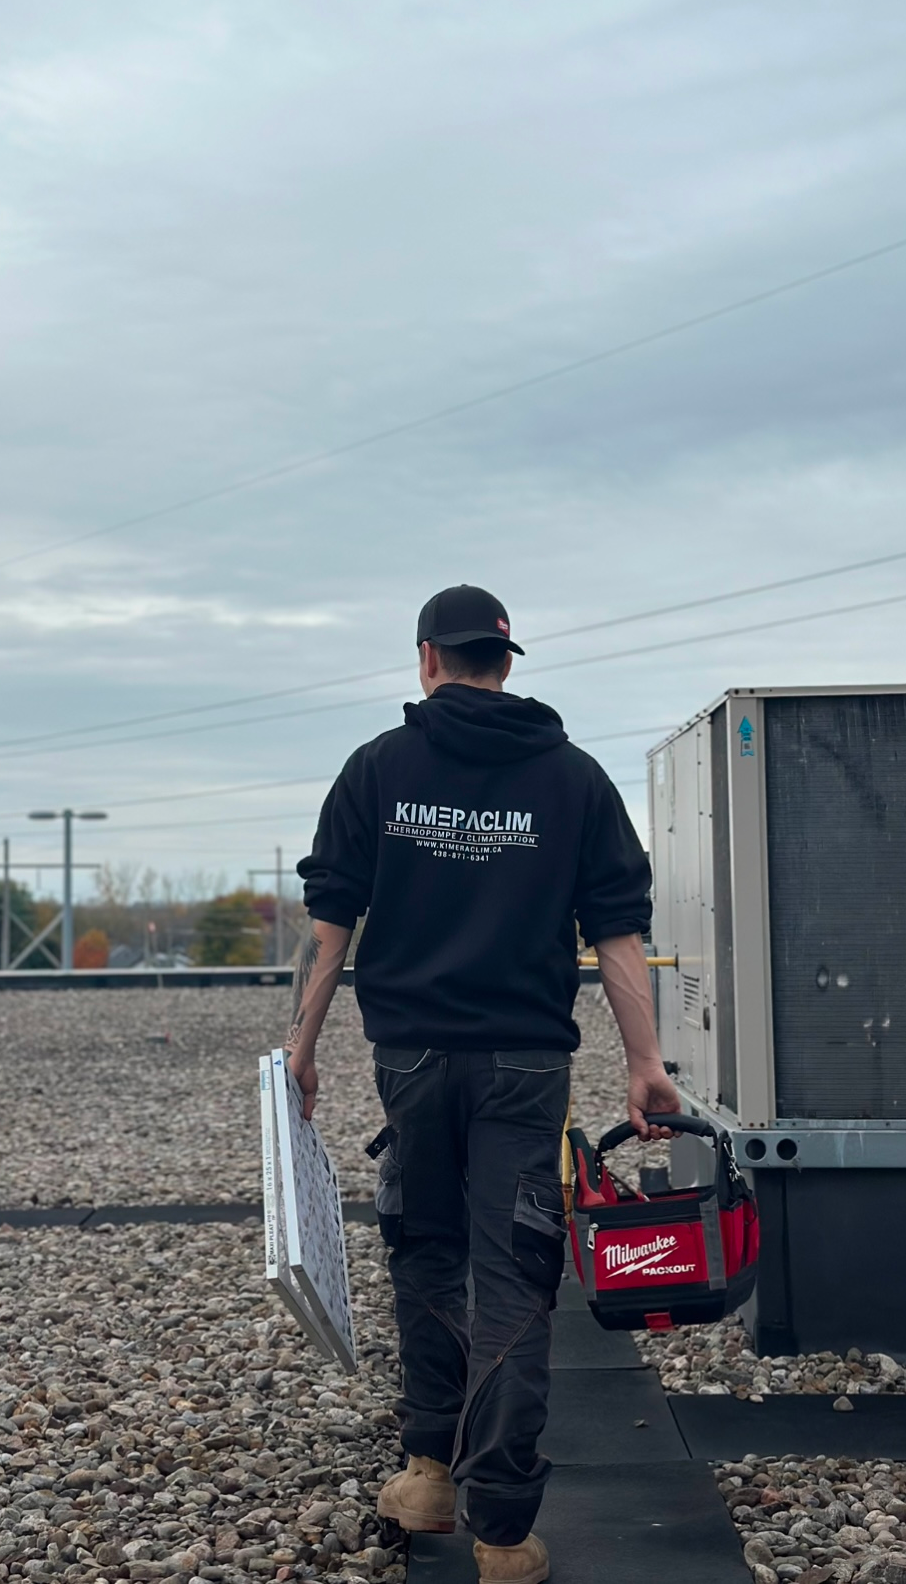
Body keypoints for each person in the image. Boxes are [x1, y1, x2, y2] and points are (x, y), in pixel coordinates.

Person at [286, 584, 679, 1584]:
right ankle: (502, 1532)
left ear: (426, 660)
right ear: (505, 662)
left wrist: (302, 1045)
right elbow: (618, 939)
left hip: (410, 1058)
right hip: (522, 1063)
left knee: (423, 1243)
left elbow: (330, 924)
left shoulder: (377, 770)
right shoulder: (574, 780)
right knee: (512, 1268)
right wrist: (644, 1064)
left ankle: (427, 1471)